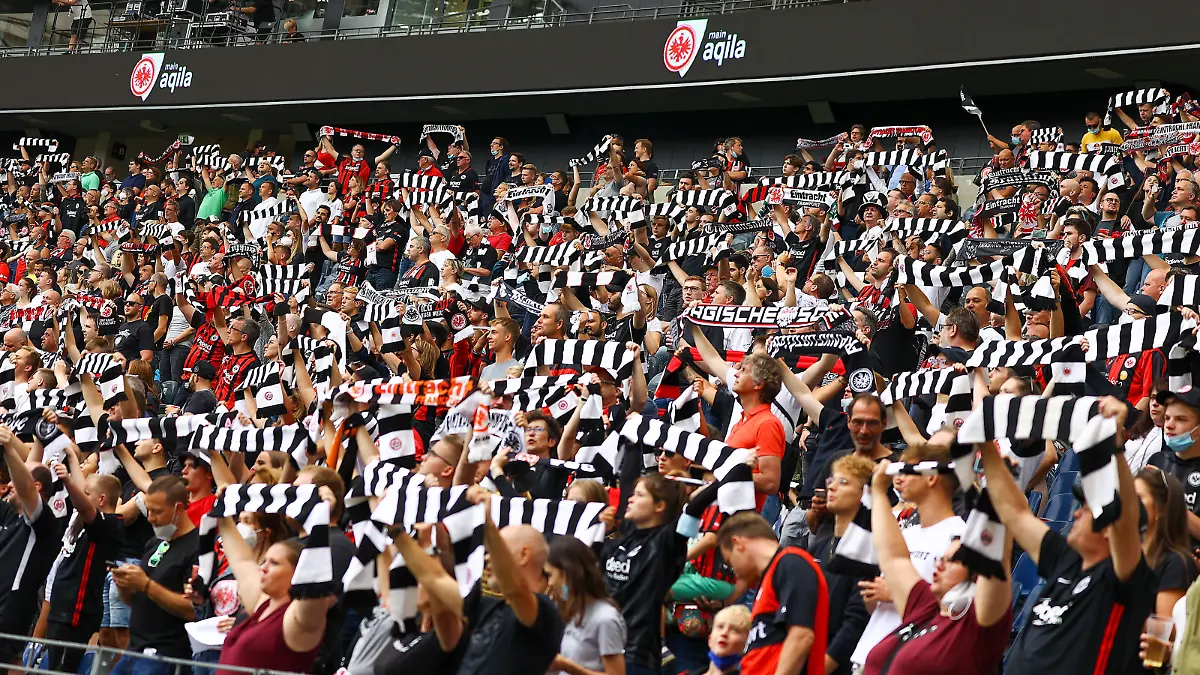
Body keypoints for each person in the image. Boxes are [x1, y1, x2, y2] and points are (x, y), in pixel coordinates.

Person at [983, 396, 1156, 674]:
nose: (1075, 514)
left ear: (1110, 528)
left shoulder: (1122, 578)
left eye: (1086, 510)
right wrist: (984, 442)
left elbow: (1124, 516)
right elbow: (1012, 510)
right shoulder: (1065, 558)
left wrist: (1115, 443)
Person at [861, 460, 1012, 675]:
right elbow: (894, 558)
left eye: (953, 560)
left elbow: (998, 562)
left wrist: (999, 493)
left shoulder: (977, 625)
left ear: (977, 575)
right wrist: (878, 491)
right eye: (943, 557)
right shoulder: (925, 605)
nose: (941, 563)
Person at [459, 488, 565, 675]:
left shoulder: (545, 612)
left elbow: (516, 589)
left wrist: (489, 526)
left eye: (496, 548)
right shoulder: (490, 607)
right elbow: (437, 584)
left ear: (524, 555)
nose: (487, 558)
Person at [213, 507, 332, 673]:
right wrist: (222, 510)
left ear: (298, 573)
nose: (263, 568)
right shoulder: (262, 602)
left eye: (274, 563)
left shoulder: (299, 620)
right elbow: (241, 559)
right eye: (266, 560)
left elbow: (314, 590)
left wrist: (322, 515)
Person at [716, 511, 829, 675]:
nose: (735, 572)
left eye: (730, 561)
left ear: (738, 543)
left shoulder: (791, 563)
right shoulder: (769, 578)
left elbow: (801, 636)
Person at [110, 476, 200, 675]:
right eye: (148, 510)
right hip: (134, 650)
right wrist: (125, 586)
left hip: (164, 655)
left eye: (157, 511)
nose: (150, 518)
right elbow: (135, 600)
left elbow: (193, 609)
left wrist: (146, 585)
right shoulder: (155, 542)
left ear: (178, 508)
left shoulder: (197, 548)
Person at [46, 449, 124, 673]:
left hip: (76, 612)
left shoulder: (109, 525)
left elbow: (85, 506)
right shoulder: (83, 519)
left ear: (101, 499)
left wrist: (67, 479)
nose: (79, 496)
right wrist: (71, 457)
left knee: (62, 671)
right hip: (62, 607)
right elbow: (84, 496)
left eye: (87, 494)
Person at [0, 423, 60, 669]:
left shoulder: (43, 523)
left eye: (17, 478)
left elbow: (24, 486)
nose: (10, 484)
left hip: (7, 619)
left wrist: (8, 448)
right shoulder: (9, 516)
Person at [546, 536, 627, 675]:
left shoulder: (605, 618)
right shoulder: (572, 610)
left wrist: (568, 667)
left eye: (550, 575)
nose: (550, 583)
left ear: (567, 574)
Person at [1134, 467, 1198, 617]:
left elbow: (1166, 629)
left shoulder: (1176, 564)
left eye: (1138, 498)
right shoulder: (1127, 554)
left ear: (1161, 508)